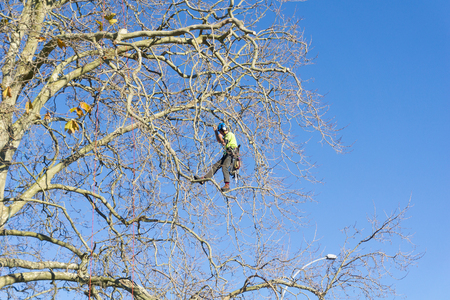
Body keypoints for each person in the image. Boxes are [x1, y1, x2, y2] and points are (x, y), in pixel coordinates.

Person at [194, 123, 238, 192]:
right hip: (227, 154)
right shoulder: (226, 135)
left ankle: (227, 185)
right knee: (216, 166)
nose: (220, 133)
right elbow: (219, 140)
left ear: (223, 130)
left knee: (224, 167)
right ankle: (204, 179)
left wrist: (220, 136)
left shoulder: (229, 134)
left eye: (220, 131)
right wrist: (215, 132)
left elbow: (223, 142)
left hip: (230, 154)